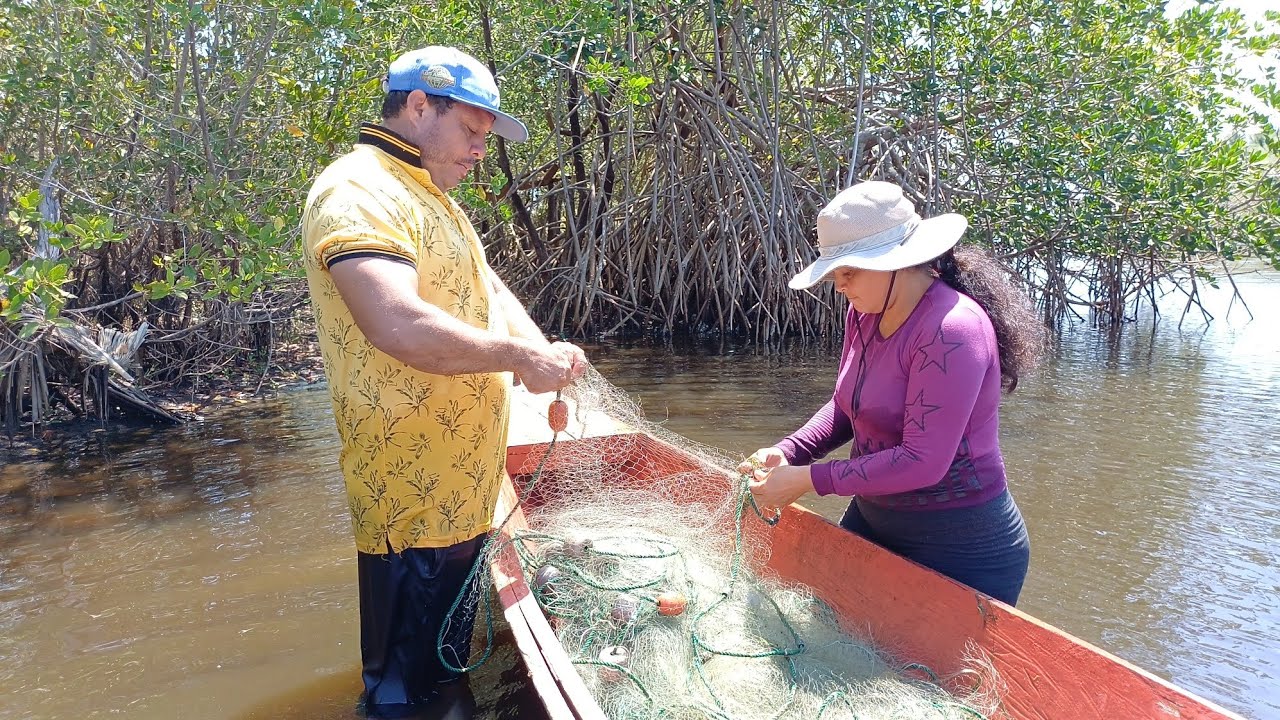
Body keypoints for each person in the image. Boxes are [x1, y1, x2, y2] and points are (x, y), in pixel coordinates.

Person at [300, 46, 586, 718]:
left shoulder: (430, 196)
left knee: (444, 677)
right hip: (412, 503)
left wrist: (541, 352)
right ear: (419, 106)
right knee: (407, 695)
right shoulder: (359, 191)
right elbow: (397, 323)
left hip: (462, 496)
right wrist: (518, 358)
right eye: (470, 131)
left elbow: (487, 290)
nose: (480, 151)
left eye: (486, 137)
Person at [740, 181, 1044, 606]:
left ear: (897, 262)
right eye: (835, 273)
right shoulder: (864, 313)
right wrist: (790, 451)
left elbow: (923, 461)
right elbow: (846, 407)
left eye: (849, 272)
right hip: (874, 521)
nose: (839, 285)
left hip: (964, 550)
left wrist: (809, 480)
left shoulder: (951, 329)